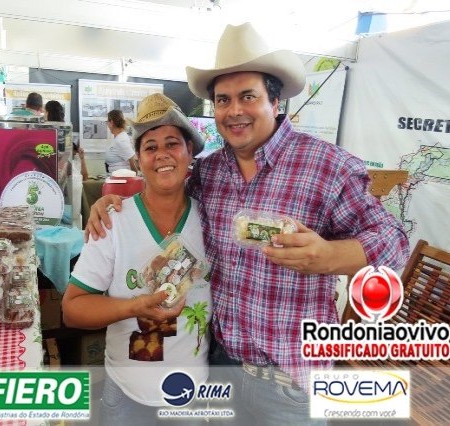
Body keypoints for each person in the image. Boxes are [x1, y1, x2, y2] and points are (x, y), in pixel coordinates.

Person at [86, 23, 410, 424]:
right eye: (223, 100)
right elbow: (162, 182)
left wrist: (330, 254)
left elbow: (395, 244)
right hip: (218, 365)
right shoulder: (209, 172)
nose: (234, 110)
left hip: (290, 384)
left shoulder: (328, 166)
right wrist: (110, 201)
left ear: (275, 102)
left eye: (248, 96)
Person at [62, 93, 211, 425]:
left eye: (172, 143)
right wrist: (133, 306)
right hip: (125, 393)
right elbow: (72, 309)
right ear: (138, 159)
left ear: (190, 154)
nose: (162, 155)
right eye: (150, 147)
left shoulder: (211, 220)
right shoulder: (114, 221)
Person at [105, 109, 138, 173]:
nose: (107, 125)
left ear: (111, 122)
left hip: (121, 180)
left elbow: (133, 162)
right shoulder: (118, 137)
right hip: (115, 178)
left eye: (107, 122)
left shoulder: (121, 140)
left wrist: (134, 179)